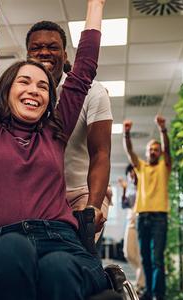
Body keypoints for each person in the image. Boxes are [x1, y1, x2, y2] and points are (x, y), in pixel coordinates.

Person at [0, 0, 107, 299]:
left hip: (63, 243)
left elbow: (82, 73)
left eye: (43, 87)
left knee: (58, 266)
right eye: (25, 82)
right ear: (6, 89)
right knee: (12, 248)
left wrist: (96, 5)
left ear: (49, 99)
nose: (34, 90)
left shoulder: (54, 134)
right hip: (1, 245)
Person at [25, 20, 112, 236]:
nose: (44, 52)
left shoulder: (92, 92)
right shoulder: (20, 94)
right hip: (36, 192)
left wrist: (93, 205)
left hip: (80, 192)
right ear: (27, 56)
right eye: (36, 48)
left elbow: (101, 153)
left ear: (64, 56)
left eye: (52, 47)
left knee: (71, 257)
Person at [123, 116, 171, 300]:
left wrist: (162, 129)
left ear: (159, 153)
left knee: (157, 259)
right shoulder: (141, 167)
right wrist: (126, 134)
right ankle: (149, 293)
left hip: (159, 217)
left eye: (156, 149)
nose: (153, 151)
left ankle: (159, 295)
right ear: (147, 152)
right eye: (150, 149)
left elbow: (168, 150)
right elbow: (130, 152)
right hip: (142, 217)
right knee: (145, 260)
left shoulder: (164, 166)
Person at [118, 164, 145, 292]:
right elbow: (124, 205)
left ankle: (140, 284)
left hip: (141, 223)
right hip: (130, 222)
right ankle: (141, 274)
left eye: (134, 173)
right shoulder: (130, 191)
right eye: (130, 174)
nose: (132, 175)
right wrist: (123, 190)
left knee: (140, 254)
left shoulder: (143, 188)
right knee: (127, 253)